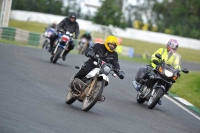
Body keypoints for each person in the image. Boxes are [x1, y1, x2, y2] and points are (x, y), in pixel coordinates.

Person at [71, 36, 125, 100]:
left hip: (103, 69)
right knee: (85, 70)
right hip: (93, 63)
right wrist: (90, 52)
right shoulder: (98, 46)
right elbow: (90, 49)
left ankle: (97, 92)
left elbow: (116, 63)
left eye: (113, 45)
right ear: (107, 43)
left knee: (105, 81)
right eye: (111, 44)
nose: (112, 46)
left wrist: (119, 70)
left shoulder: (114, 54)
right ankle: (73, 83)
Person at [135, 39, 180, 105]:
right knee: (148, 70)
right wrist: (155, 60)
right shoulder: (162, 50)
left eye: (174, 49)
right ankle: (140, 84)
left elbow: (177, 65)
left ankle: (160, 96)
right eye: (172, 48)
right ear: (168, 46)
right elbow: (154, 55)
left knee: (170, 82)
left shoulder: (175, 57)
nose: (173, 50)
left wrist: (178, 71)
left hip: (165, 71)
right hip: (156, 66)